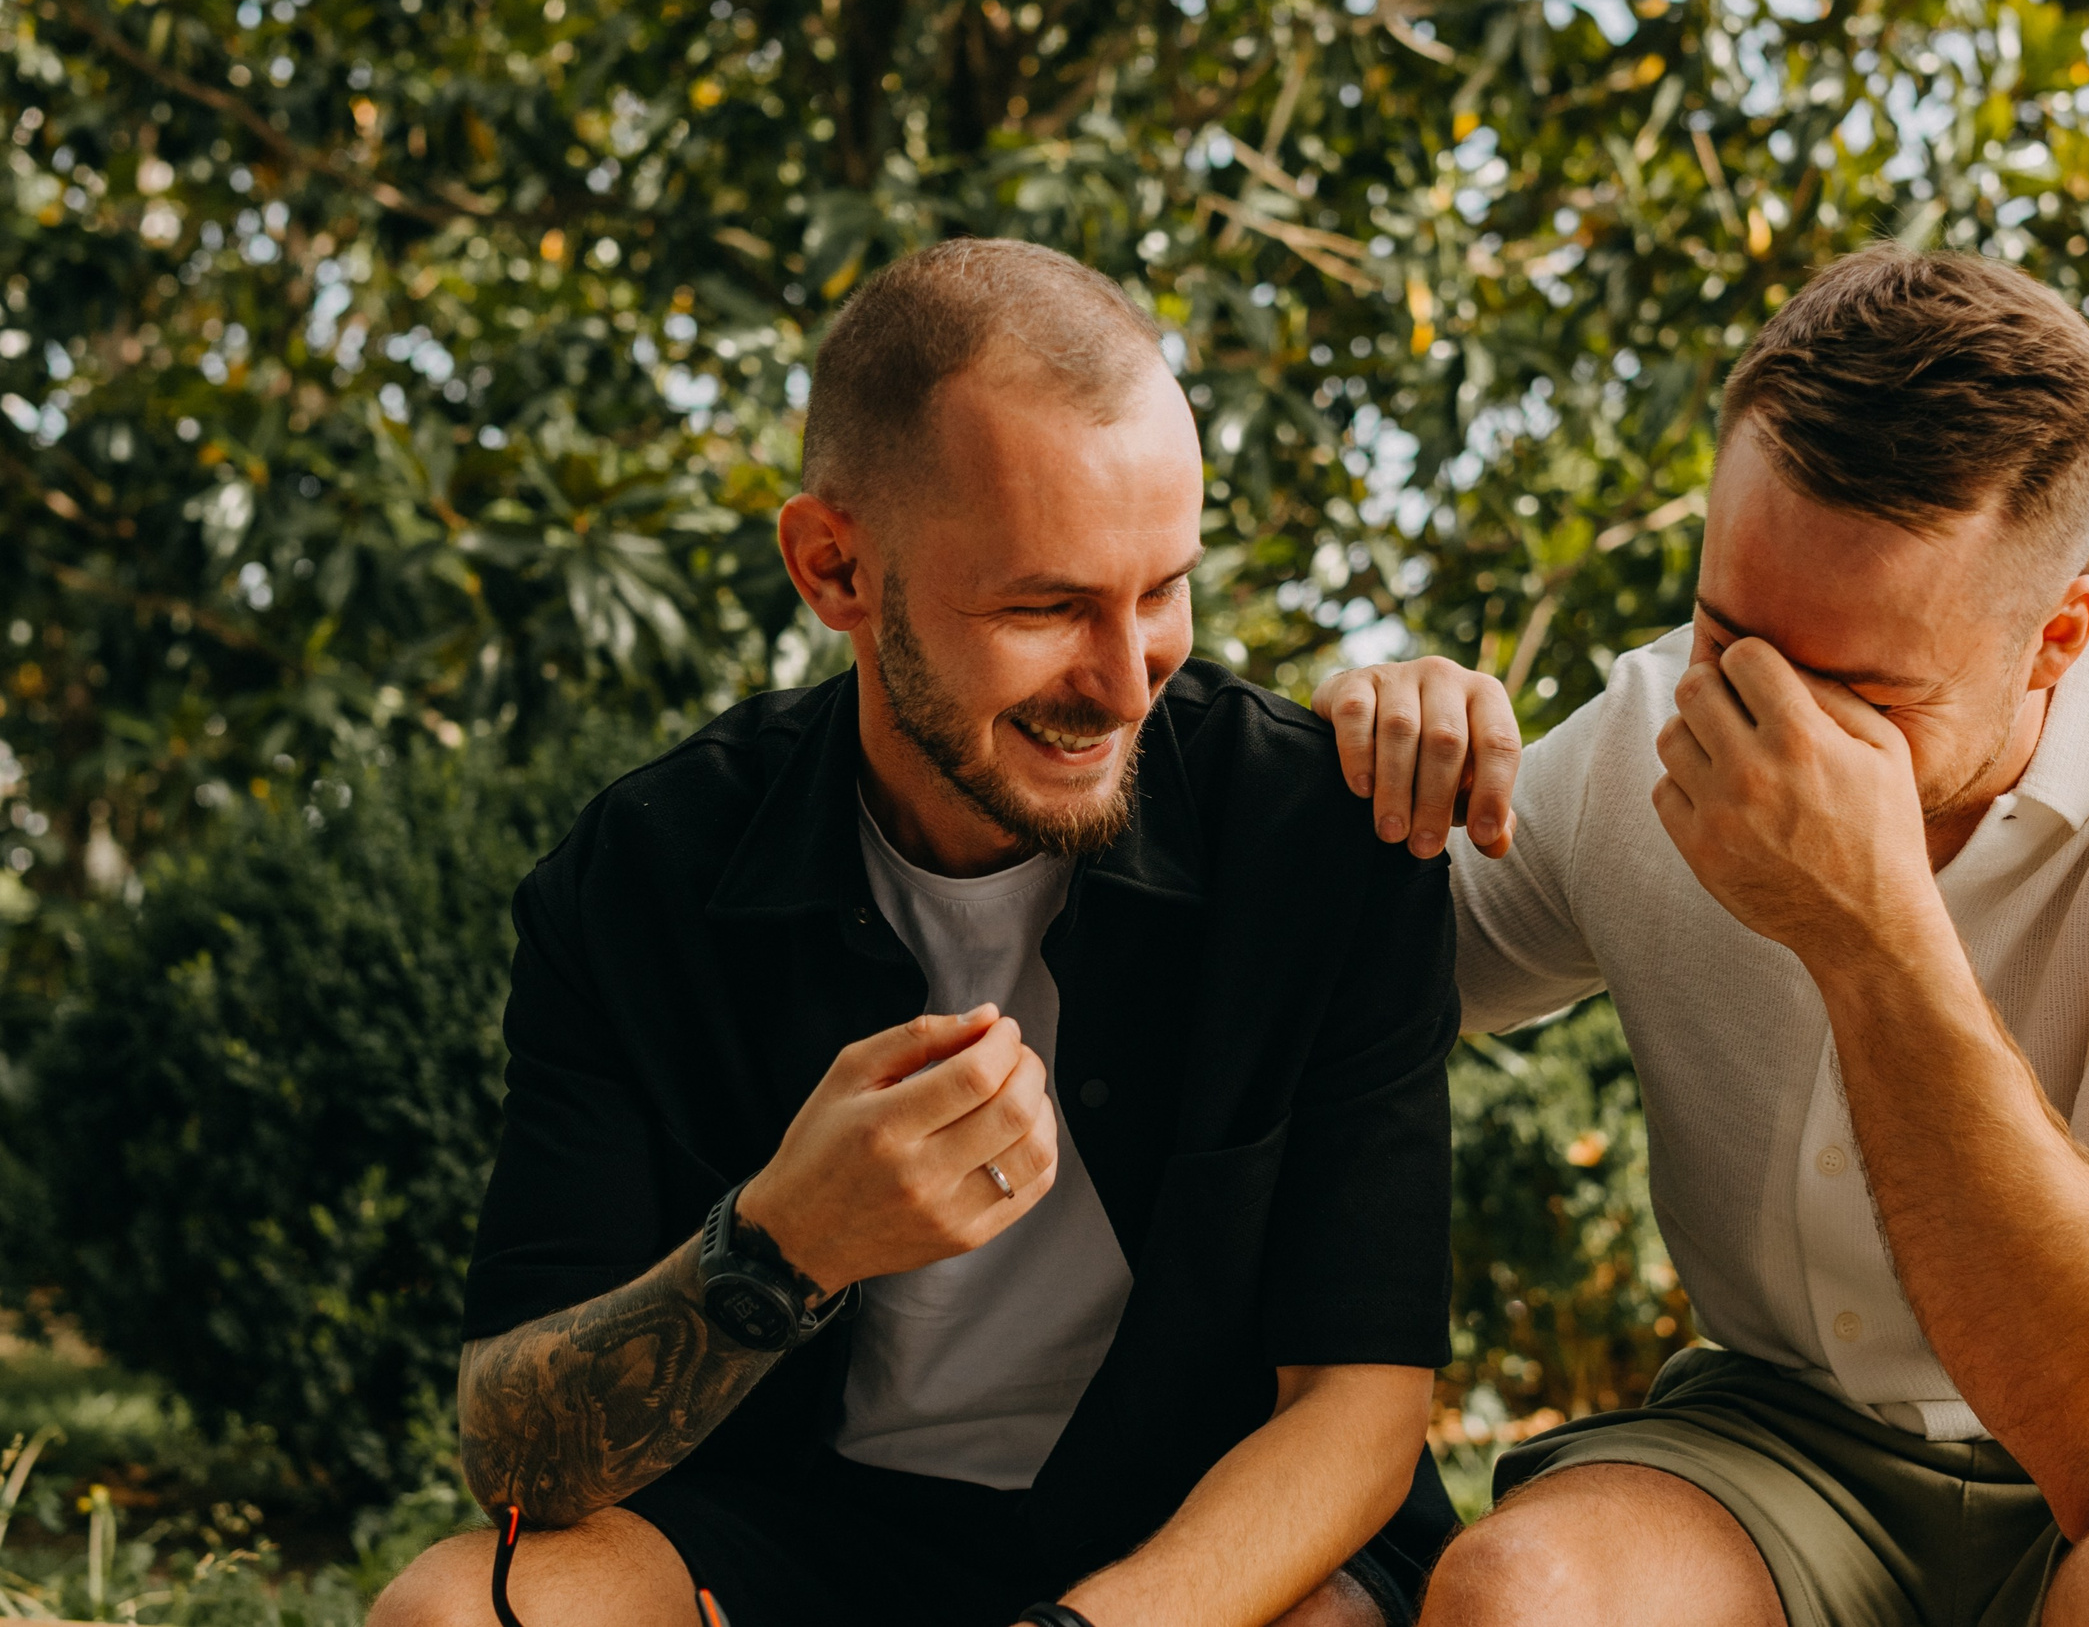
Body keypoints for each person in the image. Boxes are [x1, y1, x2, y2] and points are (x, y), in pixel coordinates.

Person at [1314, 243, 2089, 1627]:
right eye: (1726, 628)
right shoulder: (1654, 726)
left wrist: (1873, 935)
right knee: (1524, 1596)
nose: (1756, 718)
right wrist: (1374, 768)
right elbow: (1336, 970)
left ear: (2056, 635)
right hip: (1789, 1434)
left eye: (1855, 689)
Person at [371, 238, 1461, 1627]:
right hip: (790, 1540)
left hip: (1206, 1538)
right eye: (1046, 606)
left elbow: (1357, 1411)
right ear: (835, 570)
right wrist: (779, 1244)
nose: (1126, 681)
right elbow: (516, 1461)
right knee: (449, 1615)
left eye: (1164, 588)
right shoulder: (639, 876)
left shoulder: (1317, 838)